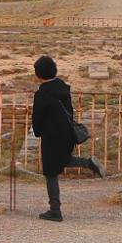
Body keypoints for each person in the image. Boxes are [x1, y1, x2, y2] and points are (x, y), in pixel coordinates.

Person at [28, 54, 102, 221]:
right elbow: (70, 111)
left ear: (38, 74)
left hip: (51, 137)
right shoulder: (63, 89)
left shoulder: (42, 94)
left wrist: (39, 131)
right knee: (63, 159)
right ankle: (87, 163)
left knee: (51, 172)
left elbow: (37, 119)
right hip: (67, 134)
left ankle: (55, 210)